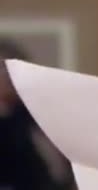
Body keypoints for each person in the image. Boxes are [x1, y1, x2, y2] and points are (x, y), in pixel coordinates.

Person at [0, 40, 75, 190]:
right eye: (2, 69)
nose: (7, 75)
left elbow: (58, 168)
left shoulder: (35, 116)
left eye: (13, 68)